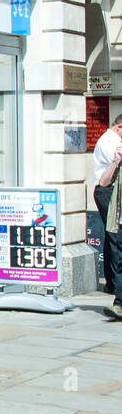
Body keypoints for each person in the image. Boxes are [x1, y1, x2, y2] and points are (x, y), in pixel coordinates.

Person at [92, 114, 122, 315]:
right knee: (115, 243)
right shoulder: (109, 142)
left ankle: (114, 286)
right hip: (111, 195)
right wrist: (116, 160)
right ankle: (118, 296)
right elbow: (104, 182)